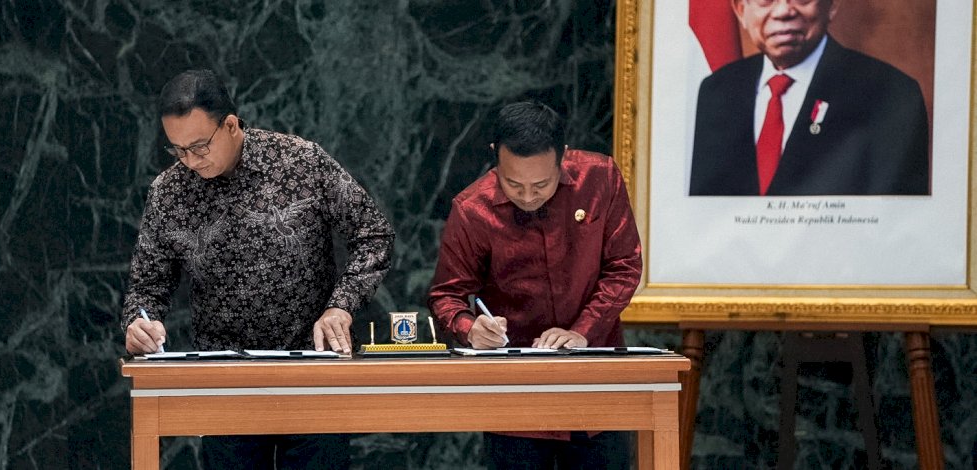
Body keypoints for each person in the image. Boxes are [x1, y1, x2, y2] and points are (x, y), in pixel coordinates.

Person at [120, 69, 394, 469]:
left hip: (312, 367)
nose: (190, 162)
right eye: (177, 150)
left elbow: (374, 234)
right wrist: (138, 322)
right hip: (224, 377)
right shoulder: (169, 192)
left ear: (230, 124)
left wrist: (342, 305)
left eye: (199, 147)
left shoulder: (299, 161)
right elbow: (147, 286)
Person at [428, 101, 642, 470]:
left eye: (541, 184)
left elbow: (625, 266)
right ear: (495, 156)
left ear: (563, 155)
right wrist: (470, 328)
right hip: (515, 395)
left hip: (594, 383)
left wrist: (582, 332)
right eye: (513, 183)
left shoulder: (600, 179)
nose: (528, 196)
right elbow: (446, 295)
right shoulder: (472, 209)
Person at [689, 0, 930, 196]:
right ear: (741, 11)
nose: (783, 11)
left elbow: (895, 226)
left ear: (832, 5)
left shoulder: (891, 96)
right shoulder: (716, 92)